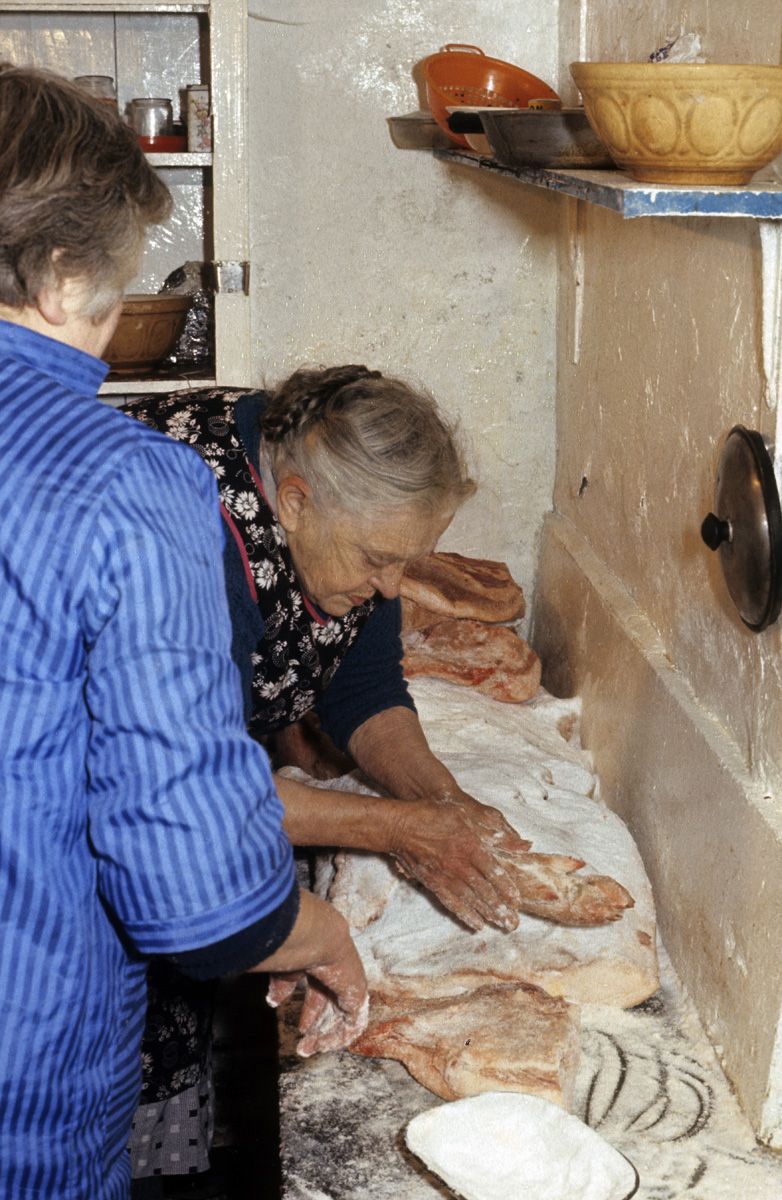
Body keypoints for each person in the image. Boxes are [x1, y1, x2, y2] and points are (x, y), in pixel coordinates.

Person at [0, 63, 367, 1200]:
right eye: (116, 278)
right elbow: (191, 888)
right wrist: (314, 934)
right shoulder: (124, 484)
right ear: (64, 271)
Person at [123, 368, 535, 1190]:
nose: (390, 587)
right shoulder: (181, 538)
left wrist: (440, 799)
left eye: (406, 561)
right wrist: (398, 830)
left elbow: (363, 688)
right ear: (298, 501)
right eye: (380, 561)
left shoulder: (334, 500)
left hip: (171, 801)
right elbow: (186, 788)